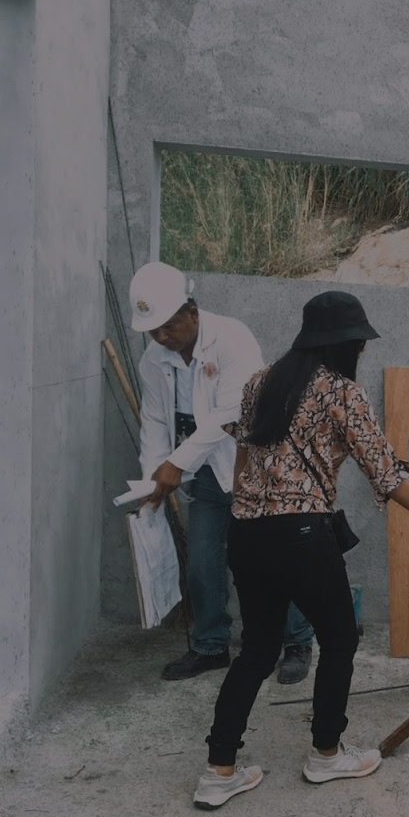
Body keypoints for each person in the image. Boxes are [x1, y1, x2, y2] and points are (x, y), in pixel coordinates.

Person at [192, 290, 409, 810]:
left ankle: (219, 770)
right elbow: (384, 472)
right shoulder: (342, 393)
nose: (361, 354)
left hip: (246, 532)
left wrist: (245, 513)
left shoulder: (259, 383)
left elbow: (242, 460)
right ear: (343, 345)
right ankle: (325, 754)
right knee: (339, 640)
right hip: (300, 534)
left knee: (255, 650)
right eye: (359, 345)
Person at [130, 261, 315, 684]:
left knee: (277, 559)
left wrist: (177, 463)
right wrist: (151, 482)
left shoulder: (232, 338)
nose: (161, 337)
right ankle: (211, 646)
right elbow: (155, 423)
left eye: (168, 326)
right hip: (210, 475)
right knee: (203, 563)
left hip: (259, 466)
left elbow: (232, 411)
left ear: (191, 313)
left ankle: (298, 642)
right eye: (153, 330)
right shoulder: (152, 361)